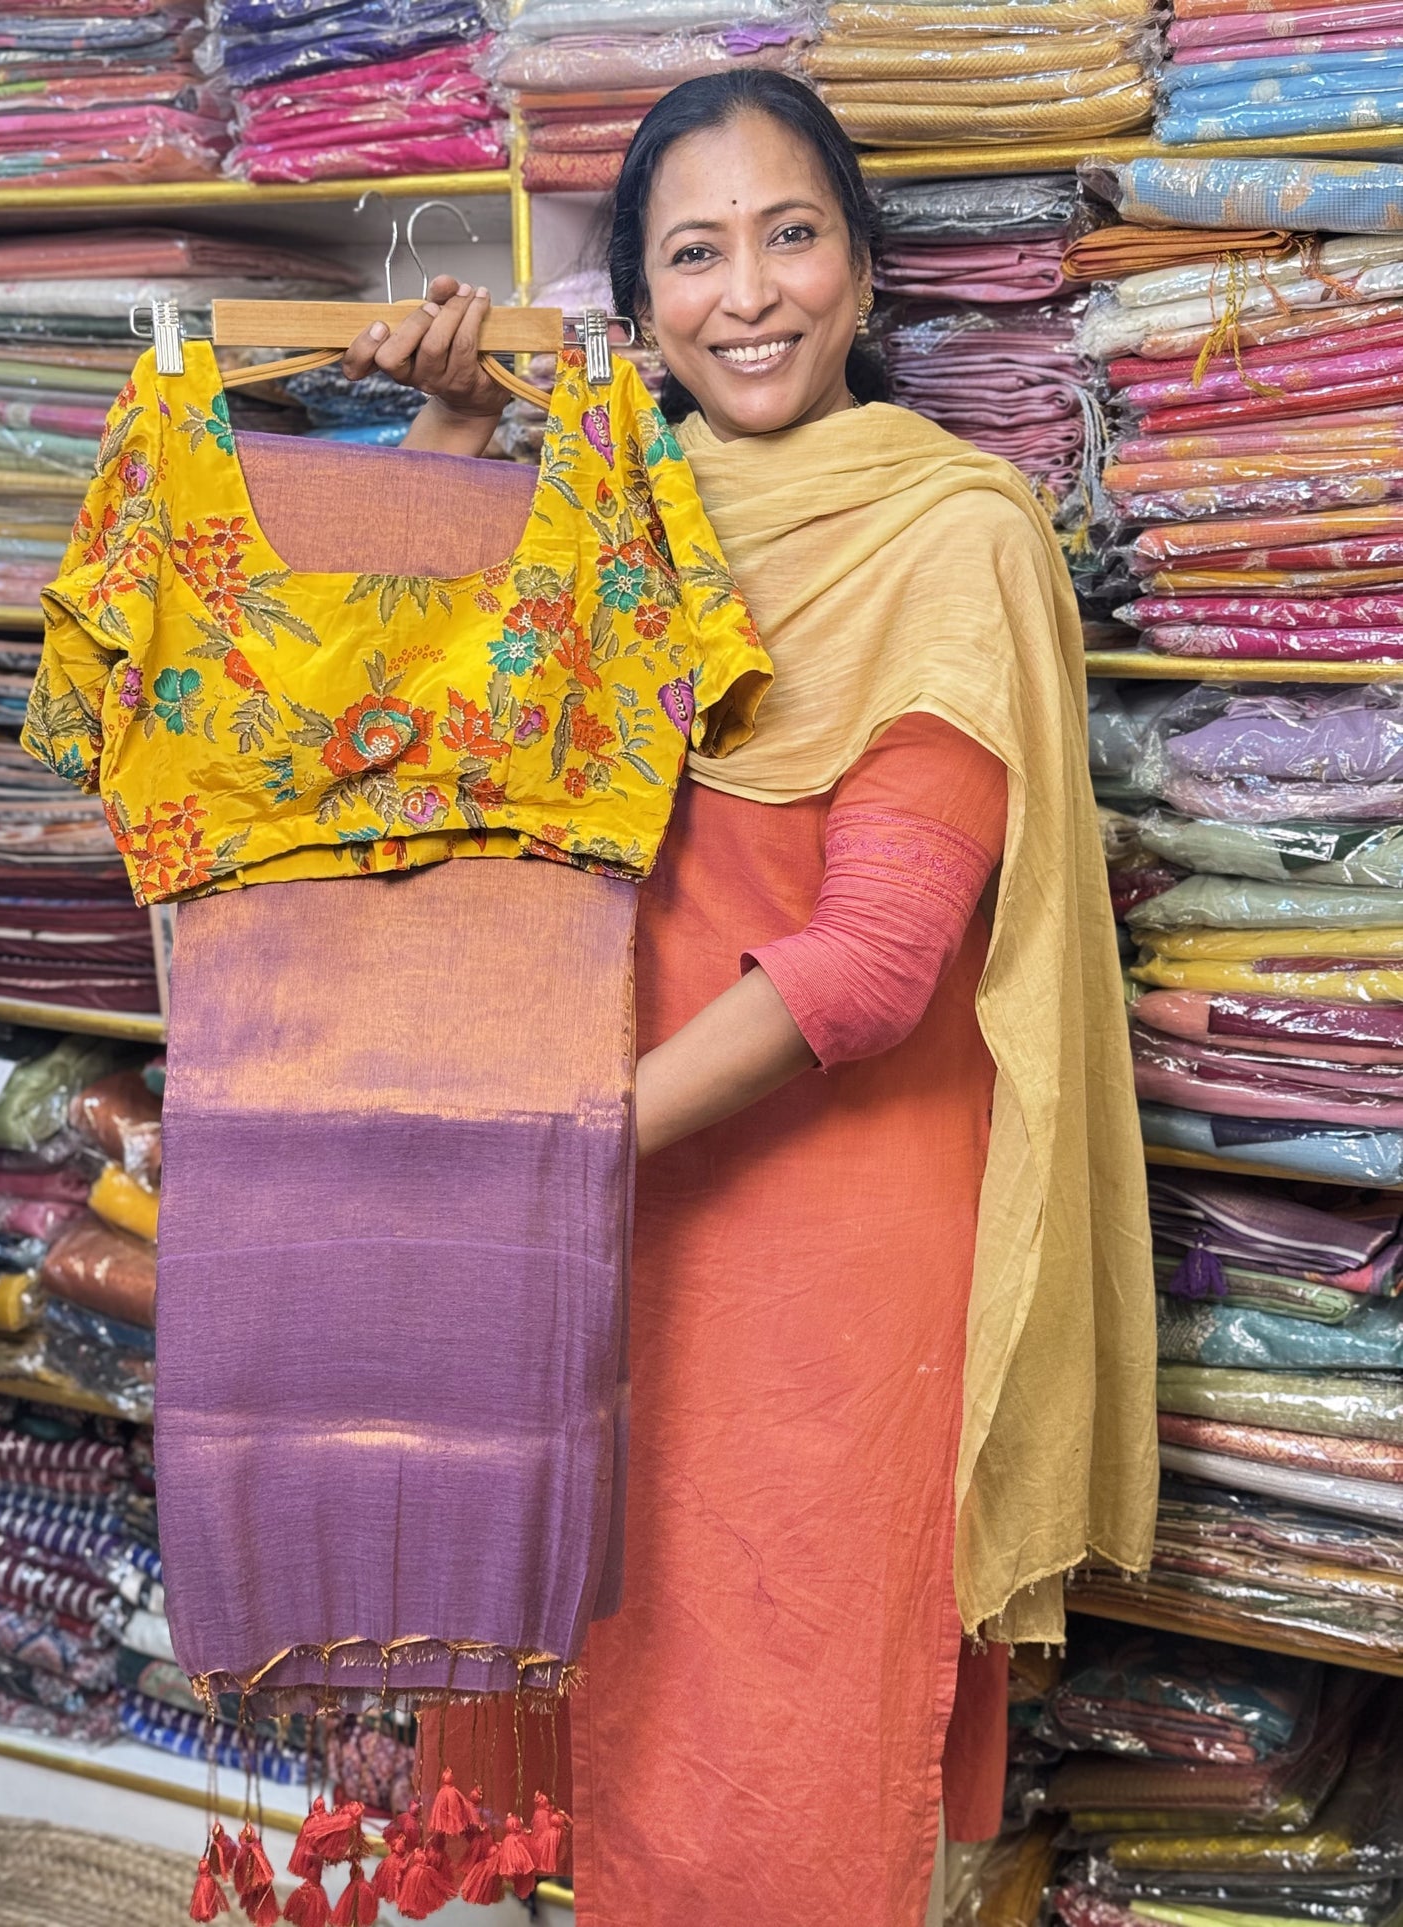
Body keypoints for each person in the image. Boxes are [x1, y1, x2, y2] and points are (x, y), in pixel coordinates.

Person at [343, 71, 1156, 1927]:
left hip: (821, 1248)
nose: (751, 293)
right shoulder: (611, 520)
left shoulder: (953, 536)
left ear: (864, 273)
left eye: (790, 235)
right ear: (638, 309)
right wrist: (452, 433)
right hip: (606, 1217)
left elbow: (872, 967)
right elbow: (382, 748)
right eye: (694, 254)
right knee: (609, 1701)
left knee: (780, 1743)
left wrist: (554, 1149)